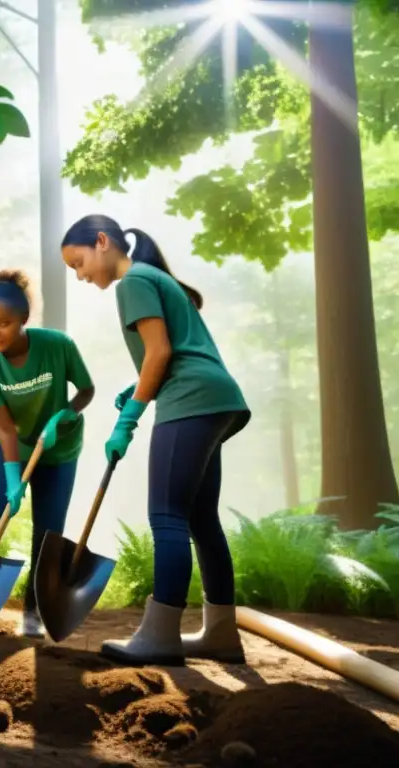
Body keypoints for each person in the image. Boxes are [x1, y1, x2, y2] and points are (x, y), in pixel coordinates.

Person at [61, 214, 251, 666]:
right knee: (201, 518)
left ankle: (161, 633)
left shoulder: (133, 283)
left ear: (102, 242)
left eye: (80, 262)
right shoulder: (154, 278)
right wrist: (140, 387)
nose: (81, 275)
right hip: (217, 397)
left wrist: (129, 416)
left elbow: (162, 353)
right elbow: (167, 352)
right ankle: (221, 633)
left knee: (166, 514)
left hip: (191, 400)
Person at [0, 269, 95, 638]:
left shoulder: (58, 345)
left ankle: (33, 609)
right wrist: (13, 476)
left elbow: (86, 389)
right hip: (7, 444)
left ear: (24, 318)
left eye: (4, 324)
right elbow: (5, 427)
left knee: (49, 528)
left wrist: (66, 414)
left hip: (59, 446)